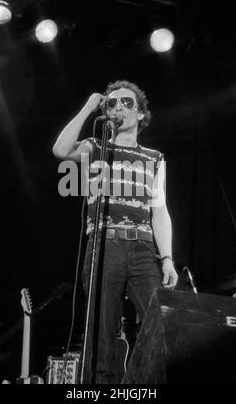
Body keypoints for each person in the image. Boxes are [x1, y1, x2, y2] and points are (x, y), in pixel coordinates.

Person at [53, 79, 178, 383]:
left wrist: (167, 258)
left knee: (159, 326)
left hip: (142, 249)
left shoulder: (154, 158)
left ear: (140, 114)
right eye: (113, 103)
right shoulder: (94, 147)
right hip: (103, 246)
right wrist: (88, 106)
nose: (119, 107)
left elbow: (159, 210)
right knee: (102, 335)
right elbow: (60, 149)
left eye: (127, 102)